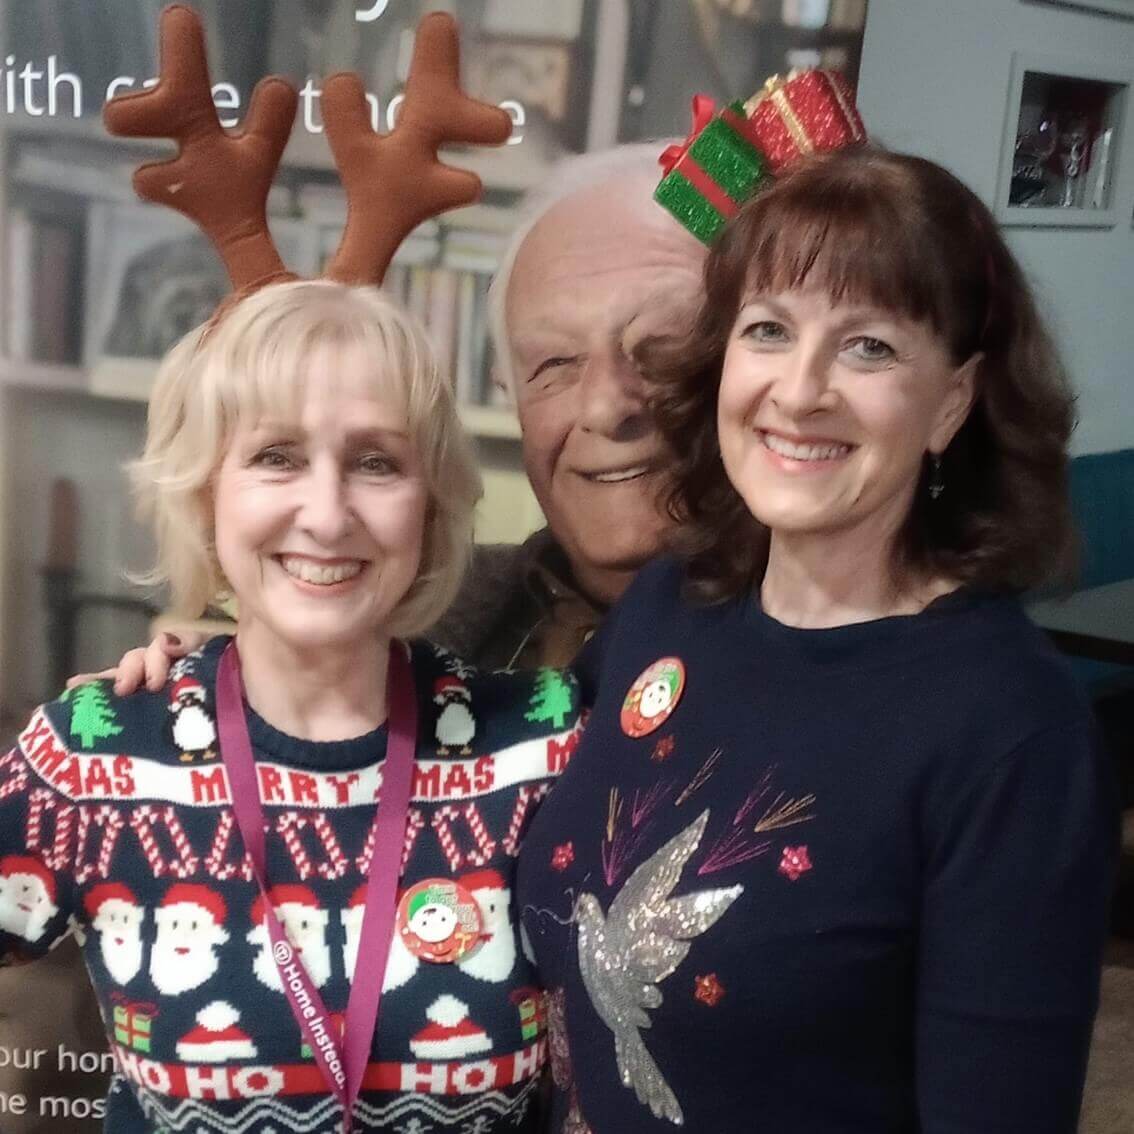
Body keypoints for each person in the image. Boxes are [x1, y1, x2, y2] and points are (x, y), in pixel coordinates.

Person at [516, 146, 1118, 1133]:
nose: (799, 393)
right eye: (768, 330)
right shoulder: (673, 601)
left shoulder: (1010, 733)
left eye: (868, 346)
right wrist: (203, 683)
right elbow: (487, 758)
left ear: (953, 402)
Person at [0, 280, 581, 1133]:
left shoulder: (542, 744)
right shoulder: (96, 760)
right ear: (207, 492)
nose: (326, 512)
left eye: (375, 462)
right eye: (276, 455)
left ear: (429, 502)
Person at [82, 145, 706, 685]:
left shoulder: (797, 652)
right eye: (554, 363)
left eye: (664, 351)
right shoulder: (418, 619)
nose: (606, 406)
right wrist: (199, 697)